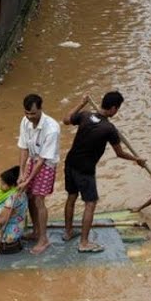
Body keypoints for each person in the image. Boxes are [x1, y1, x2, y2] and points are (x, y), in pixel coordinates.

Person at [62, 91, 145, 253]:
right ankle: (84, 243)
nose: (117, 111)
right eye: (118, 109)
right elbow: (119, 153)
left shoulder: (85, 116)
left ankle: (68, 232)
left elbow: (66, 120)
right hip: (85, 170)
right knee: (90, 203)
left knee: (71, 197)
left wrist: (82, 103)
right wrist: (137, 159)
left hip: (70, 163)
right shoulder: (109, 129)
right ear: (113, 108)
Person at [14, 93, 61, 254]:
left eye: (33, 113)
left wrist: (28, 180)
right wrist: (21, 172)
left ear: (41, 109)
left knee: (39, 199)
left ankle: (43, 238)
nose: (29, 116)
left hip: (46, 164)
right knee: (29, 197)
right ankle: (35, 231)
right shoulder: (25, 121)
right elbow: (23, 147)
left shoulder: (52, 128)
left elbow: (42, 160)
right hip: (32, 160)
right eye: (27, 113)